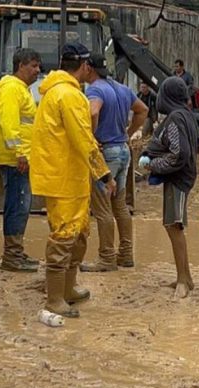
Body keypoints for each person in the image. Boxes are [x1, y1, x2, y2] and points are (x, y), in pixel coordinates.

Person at [29, 43, 110, 317]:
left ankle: (68, 287)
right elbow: (84, 139)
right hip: (64, 179)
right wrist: (104, 172)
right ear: (85, 66)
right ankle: (54, 299)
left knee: (78, 234)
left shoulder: (55, 93)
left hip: (66, 177)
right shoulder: (69, 96)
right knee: (64, 237)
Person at [79, 54, 148, 272]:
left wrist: (92, 137)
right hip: (123, 151)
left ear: (89, 68)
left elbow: (93, 111)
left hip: (106, 152)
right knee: (120, 205)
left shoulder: (95, 90)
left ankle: (107, 257)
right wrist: (128, 133)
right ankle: (126, 254)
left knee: (102, 207)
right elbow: (143, 110)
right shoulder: (122, 88)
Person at [139, 77, 199, 299]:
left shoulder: (175, 118)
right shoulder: (187, 115)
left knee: (174, 226)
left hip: (178, 178)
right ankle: (185, 276)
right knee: (173, 225)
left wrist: (153, 165)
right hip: (184, 176)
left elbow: (179, 153)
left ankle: (183, 280)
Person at [0, 48, 41, 272]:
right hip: (16, 160)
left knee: (22, 206)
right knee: (17, 205)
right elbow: (10, 125)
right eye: (33, 65)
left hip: (22, 157)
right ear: (20, 65)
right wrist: (20, 152)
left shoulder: (21, 90)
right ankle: (11, 256)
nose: (37, 71)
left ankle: (16, 252)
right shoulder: (12, 89)